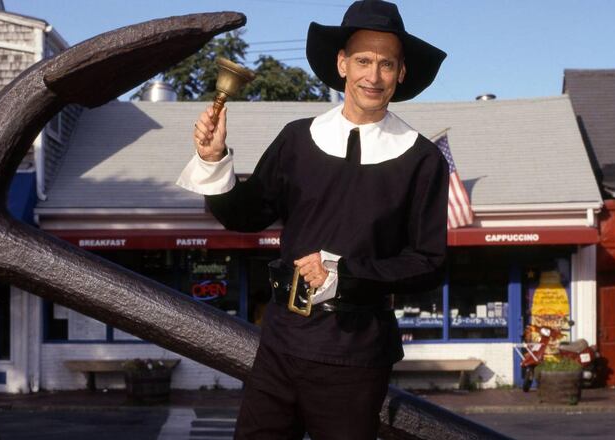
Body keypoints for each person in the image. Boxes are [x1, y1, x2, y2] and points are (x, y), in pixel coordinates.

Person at [177, 1, 448, 438]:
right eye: (362, 60)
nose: (373, 76)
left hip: (356, 351)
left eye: (386, 64)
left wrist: (345, 273)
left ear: (401, 73)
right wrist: (215, 160)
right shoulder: (298, 139)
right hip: (282, 341)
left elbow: (428, 262)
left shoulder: (423, 159)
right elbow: (247, 215)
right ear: (342, 63)